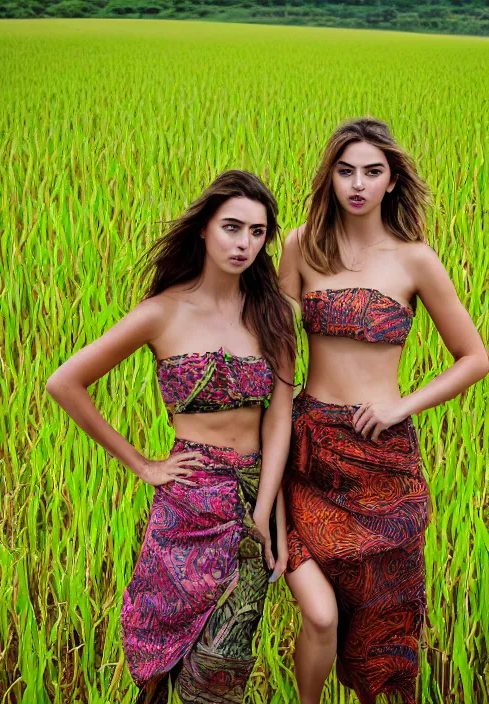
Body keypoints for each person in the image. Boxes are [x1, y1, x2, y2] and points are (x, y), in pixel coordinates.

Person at [45, 170, 295, 704]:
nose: (244, 243)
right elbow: (64, 383)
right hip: (185, 503)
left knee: (220, 671)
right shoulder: (162, 313)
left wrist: (265, 511)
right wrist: (142, 463)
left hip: (250, 502)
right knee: (163, 658)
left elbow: (278, 418)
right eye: (232, 227)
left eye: (257, 232)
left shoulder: (271, 313)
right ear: (204, 229)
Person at [278, 117, 489, 704]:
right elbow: (269, 346)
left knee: (385, 625)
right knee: (320, 615)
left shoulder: (415, 260)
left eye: (372, 172)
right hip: (312, 450)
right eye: (346, 171)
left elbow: (474, 357)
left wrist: (403, 403)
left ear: (392, 181)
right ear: (331, 177)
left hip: (384, 463)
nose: (358, 184)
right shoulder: (301, 246)